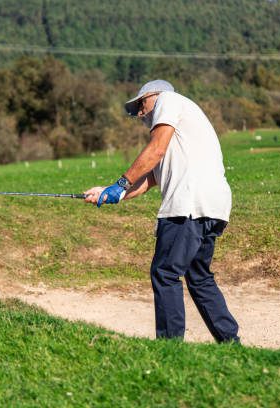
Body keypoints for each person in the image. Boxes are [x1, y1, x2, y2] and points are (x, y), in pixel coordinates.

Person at [84, 79, 239, 343]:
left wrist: (120, 182)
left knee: (165, 272)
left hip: (187, 205)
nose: (140, 113)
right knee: (199, 277)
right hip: (213, 206)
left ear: (155, 95)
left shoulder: (170, 101)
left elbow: (154, 151)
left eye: (141, 104)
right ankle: (231, 343)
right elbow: (150, 179)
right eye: (135, 111)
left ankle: (169, 348)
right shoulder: (179, 133)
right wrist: (112, 193)